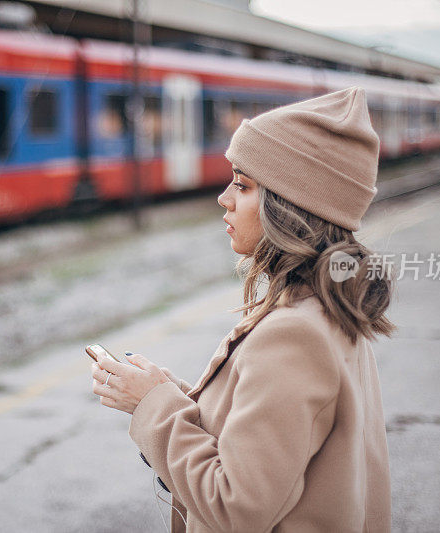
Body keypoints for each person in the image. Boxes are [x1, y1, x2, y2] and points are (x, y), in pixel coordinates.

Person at [91, 86, 396, 532]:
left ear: (289, 207)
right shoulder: (330, 308)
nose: (224, 198)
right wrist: (163, 391)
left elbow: (237, 507)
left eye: (243, 184)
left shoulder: (293, 335)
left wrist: (152, 406)